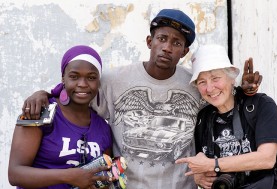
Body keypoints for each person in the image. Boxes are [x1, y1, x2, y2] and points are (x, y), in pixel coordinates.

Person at [20, 9, 262, 189]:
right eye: (162, 38)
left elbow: (220, 98)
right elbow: (79, 90)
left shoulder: (195, 83)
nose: (167, 47)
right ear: (150, 41)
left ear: (184, 52)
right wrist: (45, 93)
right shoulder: (114, 80)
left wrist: (242, 90)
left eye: (176, 43)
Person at [175, 44, 277, 189]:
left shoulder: (262, 105)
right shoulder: (203, 118)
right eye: (202, 82)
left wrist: (213, 165)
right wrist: (198, 175)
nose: (209, 88)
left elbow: (267, 158)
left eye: (215, 78)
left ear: (232, 78)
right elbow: (200, 162)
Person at [8, 45, 113, 189]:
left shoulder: (103, 128)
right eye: (74, 76)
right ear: (63, 78)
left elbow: (103, 176)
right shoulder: (39, 111)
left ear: (98, 82)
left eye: (91, 77)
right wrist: (69, 176)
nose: (82, 84)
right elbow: (15, 174)